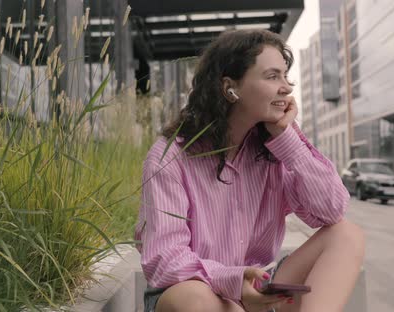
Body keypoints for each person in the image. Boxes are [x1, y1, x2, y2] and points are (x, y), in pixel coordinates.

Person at [134, 29, 365, 312]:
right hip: (194, 292)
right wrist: (232, 280)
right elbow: (166, 261)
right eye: (272, 76)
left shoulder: (275, 150)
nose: (286, 88)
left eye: (285, 75)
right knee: (196, 299)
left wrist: (287, 137)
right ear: (230, 88)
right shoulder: (170, 156)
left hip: (255, 288)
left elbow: (331, 210)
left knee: (346, 235)